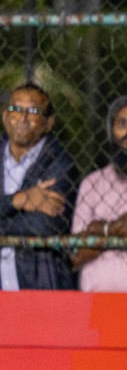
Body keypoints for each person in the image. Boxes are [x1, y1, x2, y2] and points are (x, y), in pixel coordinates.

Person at [71, 96, 127, 293]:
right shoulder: (92, 183)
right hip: (95, 300)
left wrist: (98, 229)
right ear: (111, 132)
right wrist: (118, 228)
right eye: (122, 124)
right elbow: (76, 253)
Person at [0, 83, 75, 290]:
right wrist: (19, 200)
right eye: (15, 109)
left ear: (48, 123)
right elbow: (26, 221)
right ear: (5, 116)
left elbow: (44, 225)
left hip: (39, 286)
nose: (22, 118)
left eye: (33, 111)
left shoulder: (61, 163)